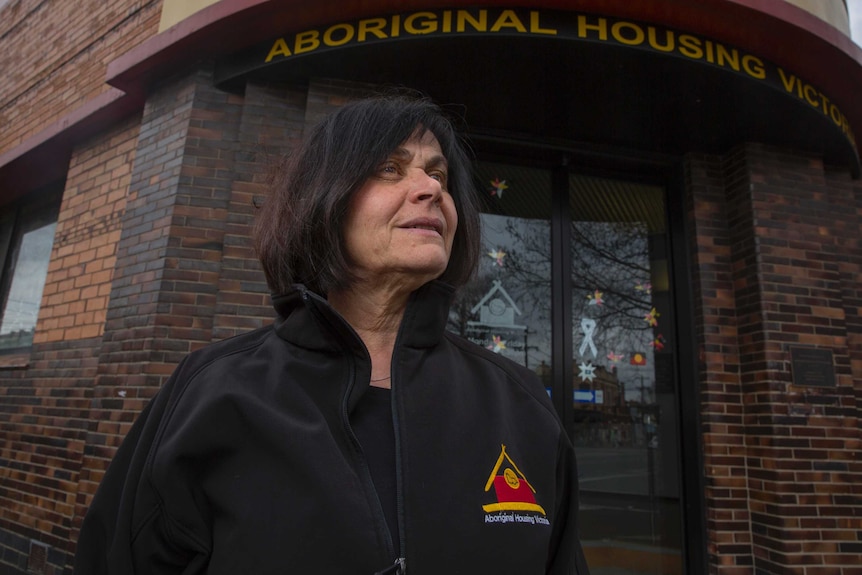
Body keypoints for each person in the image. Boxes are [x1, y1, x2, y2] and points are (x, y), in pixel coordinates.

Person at [74, 95, 590, 575]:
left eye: (439, 174)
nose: (432, 188)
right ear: (324, 198)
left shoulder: (518, 403)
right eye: (390, 168)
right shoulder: (213, 393)